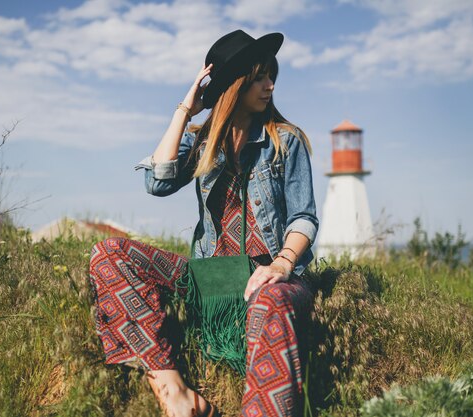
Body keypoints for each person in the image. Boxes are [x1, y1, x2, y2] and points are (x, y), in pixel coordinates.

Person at [89, 29, 318, 417]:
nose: (270, 85)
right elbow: (157, 182)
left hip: (272, 278)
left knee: (271, 300)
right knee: (108, 254)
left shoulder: (285, 141)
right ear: (235, 83)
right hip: (209, 281)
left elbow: (304, 218)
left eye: (270, 75)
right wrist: (185, 110)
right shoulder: (200, 142)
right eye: (260, 76)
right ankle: (176, 393)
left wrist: (281, 265)